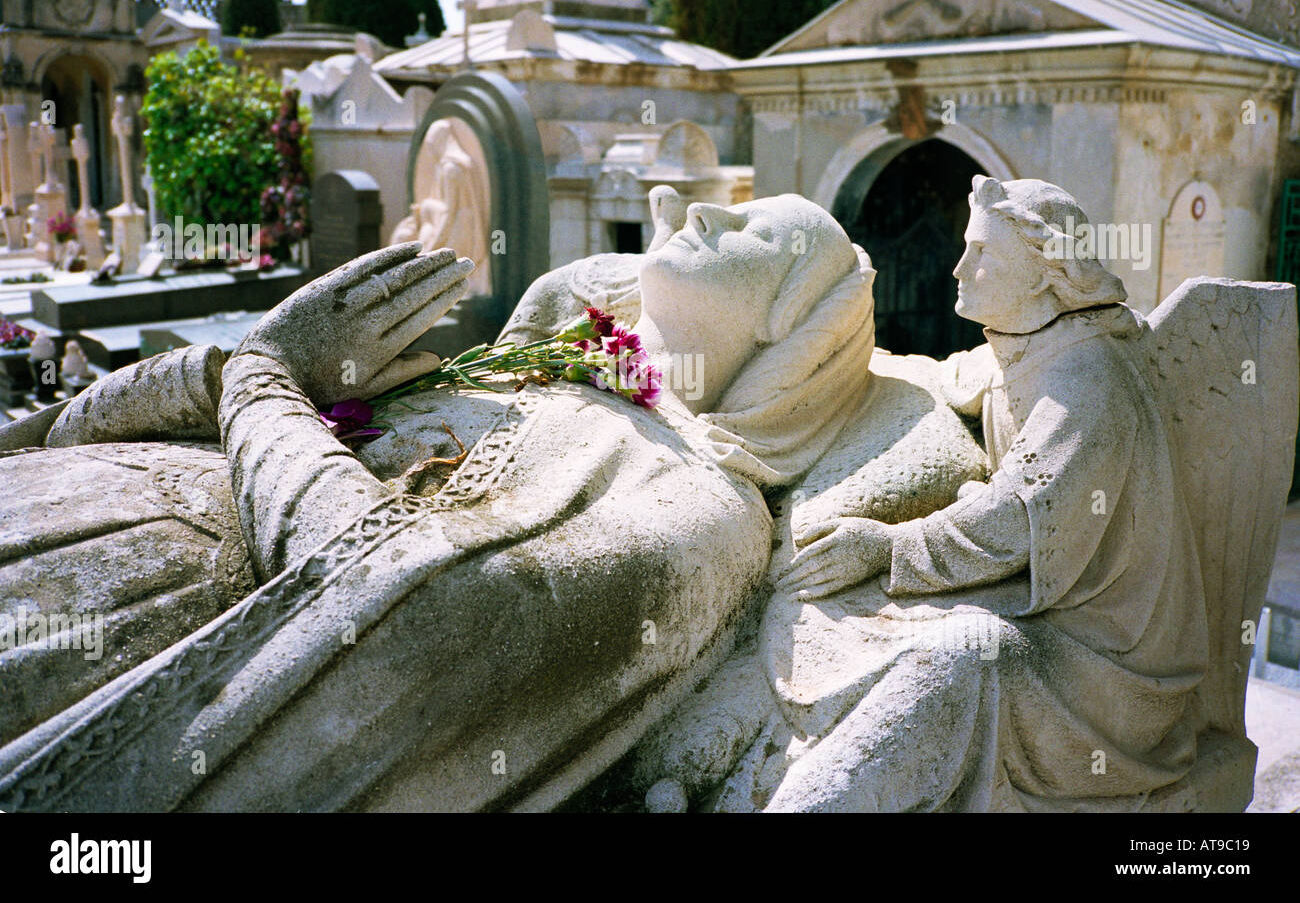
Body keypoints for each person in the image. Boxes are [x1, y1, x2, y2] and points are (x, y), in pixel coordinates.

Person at [0, 195, 876, 812]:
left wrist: (264, 382)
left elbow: (409, 612)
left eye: (766, 233)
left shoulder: (704, 506)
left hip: (141, 620)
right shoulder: (535, 365)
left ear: (790, 334)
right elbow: (220, 407)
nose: (707, 210)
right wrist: (228, 368)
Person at [760, 176, 1210, 811]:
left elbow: (1013, 520)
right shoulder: (1023, 349)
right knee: (868, 614)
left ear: (1044, 272)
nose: (959, 267)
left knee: (959, 658)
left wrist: (887, 546)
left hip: (1110, 669)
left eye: (982, 253)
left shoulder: (1086, 381)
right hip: (1057, 619)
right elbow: (941, 376)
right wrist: (831, 361)